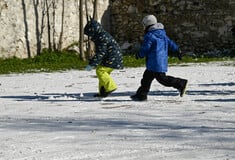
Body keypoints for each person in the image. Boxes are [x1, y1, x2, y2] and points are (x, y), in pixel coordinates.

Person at [131, 15, 188, 101]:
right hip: (158, 62)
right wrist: (177, 50)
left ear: (148, 25)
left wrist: (140, 54)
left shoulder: (149, 35)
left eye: (144, 25)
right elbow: (170, 43)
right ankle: (141, 95)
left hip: (155, 63)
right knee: (146, 79)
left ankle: (181, 83)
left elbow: (146, 47)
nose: (143, 28)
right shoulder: (162, 34)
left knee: (162, 79)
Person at [84, 19, 123, 97]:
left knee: (100, 71)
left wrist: (92, 64)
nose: (90, 36)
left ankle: (111, 86)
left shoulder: (101, 38)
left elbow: (100, 53)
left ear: (93, 32)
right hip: (111, 57)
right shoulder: (101, 35)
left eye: (90, 34)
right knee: (102, 72)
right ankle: (103, 91)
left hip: (112, 57)